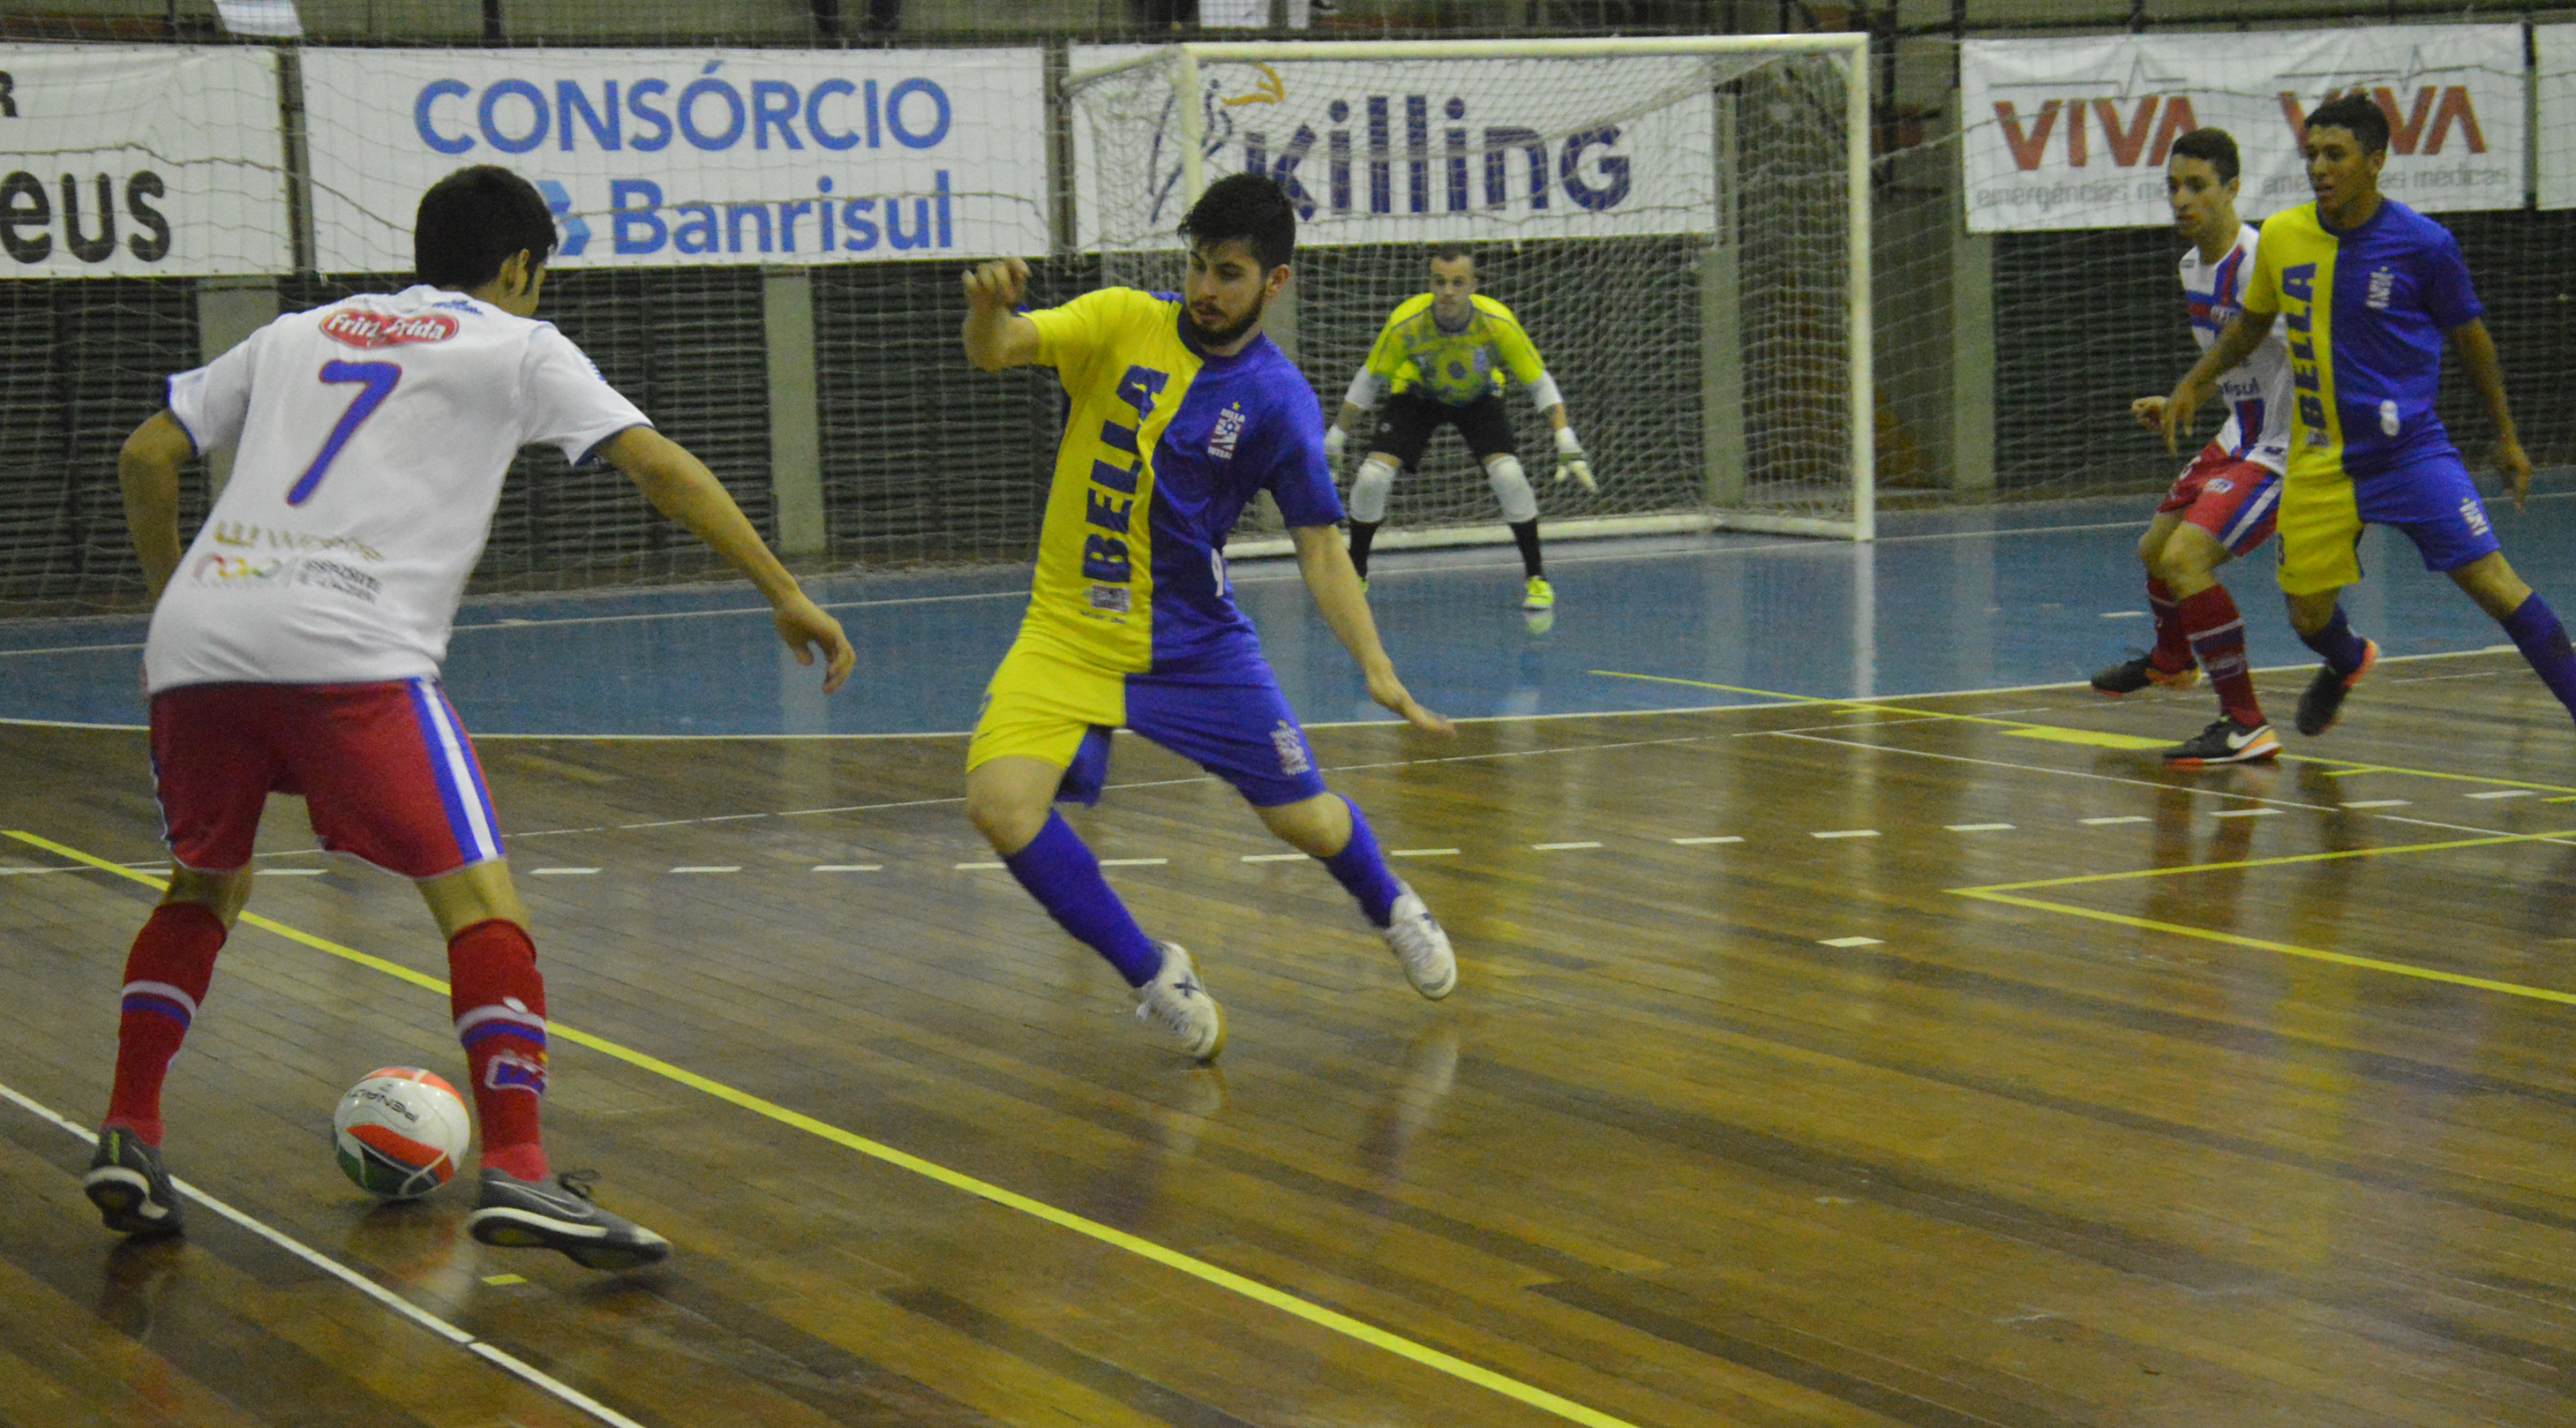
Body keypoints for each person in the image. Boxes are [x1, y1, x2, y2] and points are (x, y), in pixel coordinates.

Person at [88, 165, 856, 1267]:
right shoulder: (517, 344)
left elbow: (146, 452)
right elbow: (660, 469)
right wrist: (782, 587)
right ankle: (524, 1172)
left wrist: (178, 596)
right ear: (519, 267)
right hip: (352, 649)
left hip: (200, 648)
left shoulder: (293, 332)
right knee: (480, 902)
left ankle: (130, 1128)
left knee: (206, 883)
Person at [958, 172, 1456, 1062]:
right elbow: (997, 350)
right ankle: (1154, 973)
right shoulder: (1119, 320)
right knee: (1000, 806)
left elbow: (1319, 545)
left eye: (1228, 273)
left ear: (1275, 284)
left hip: (1195, 646)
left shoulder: (1277, 400)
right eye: (1196, 266)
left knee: (1303, 821)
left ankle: (1389, 902)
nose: (1204, 289)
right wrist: (989, 308)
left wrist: (1377, 668)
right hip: (1068, 628)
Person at [2166, 95, 2576, 740]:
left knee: (2496, 587)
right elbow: (2249, 324)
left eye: (2336, 155)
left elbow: (2470, 338)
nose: (2319, 168)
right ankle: (2347, 659)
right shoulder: (2282, 236)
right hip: (2320, 464)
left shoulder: (2423, 245)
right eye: (2311, 155)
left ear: (2376, 162)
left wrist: (2505, 437)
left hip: (2409, 455)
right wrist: (2192, 383)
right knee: (2305, 616)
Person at [2091, 128, 2291, 767]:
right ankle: (2172, 663)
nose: (2180, 199)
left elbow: (2311, 354)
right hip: (2240, 431)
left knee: (2183, 561)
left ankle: (2245, 722)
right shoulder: (2190, 268)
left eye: (2196, 186)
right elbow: (2236, 364)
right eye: (2172, 186)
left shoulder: (2265, 261)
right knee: (2153, 550)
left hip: (2285, 445)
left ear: (2232, 189)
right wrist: (2180, 400)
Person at [1323, 245, 1593, 624]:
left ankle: (1537, 577)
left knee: (1509, 475)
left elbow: (1539, 383)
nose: (1448, 291)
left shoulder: (1496, 322)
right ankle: (1356, 574)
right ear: (1429, 284)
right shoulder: (1407, 322)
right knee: (1371, 476)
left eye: (1457, 282)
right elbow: (1368, 381)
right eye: (1439, 282)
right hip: (1417, 394)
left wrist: (1566, 439)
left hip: (1478, 397)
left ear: (1473, 286)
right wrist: (1334, 439)